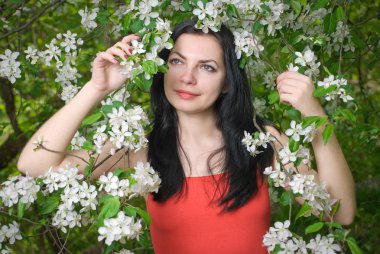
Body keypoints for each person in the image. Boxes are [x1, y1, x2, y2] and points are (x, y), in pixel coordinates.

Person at [17, 20, 356, 253]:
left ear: (227, 82)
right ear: (162, 68)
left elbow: (339, 213)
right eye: (177, 61)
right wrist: (96, 89)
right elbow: (34, 166)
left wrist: (315, 116)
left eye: (207, 67)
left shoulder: (261, 142)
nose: (187, 77)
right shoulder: (138, 150)